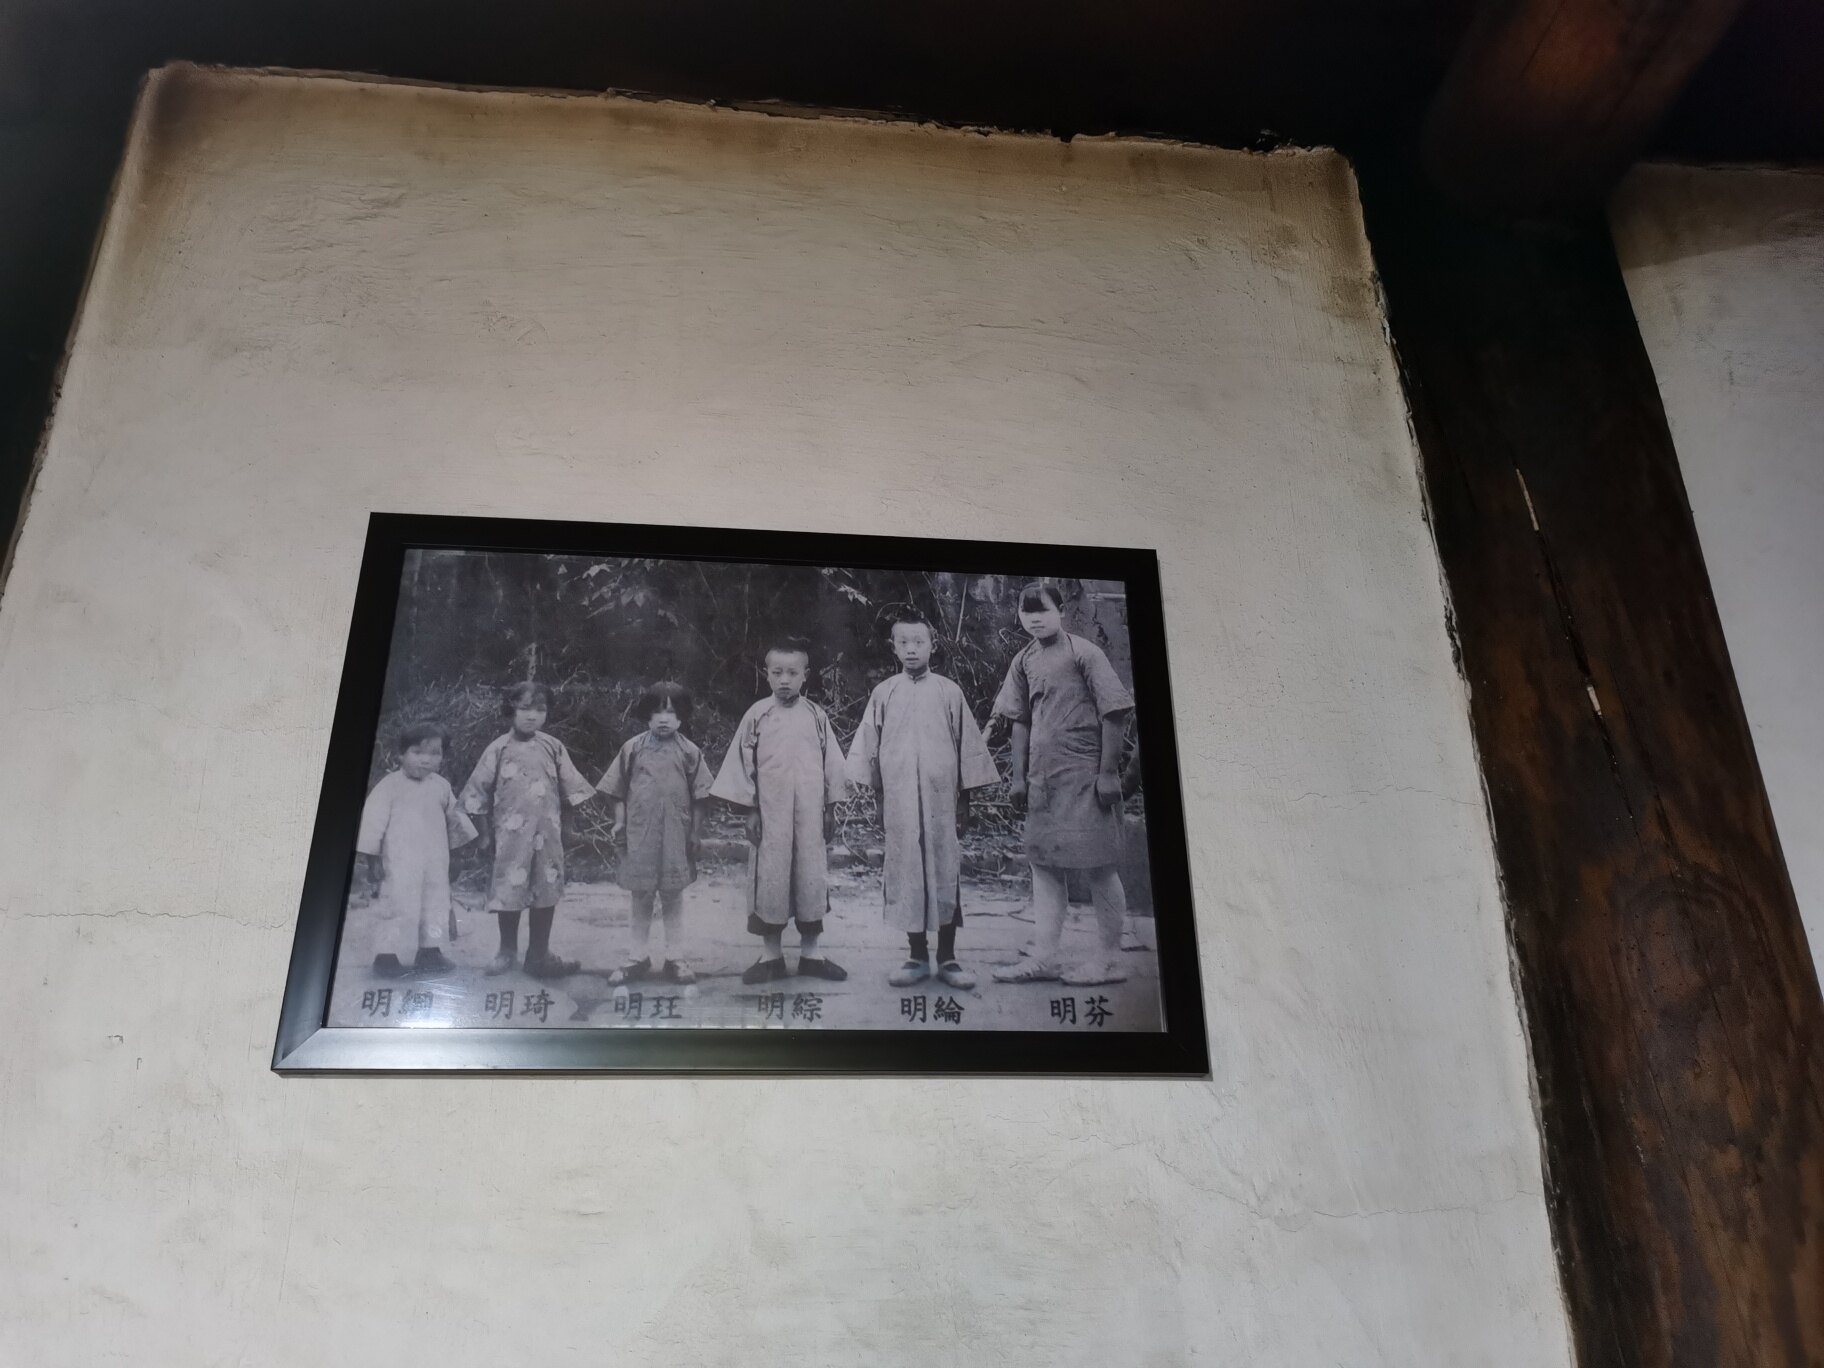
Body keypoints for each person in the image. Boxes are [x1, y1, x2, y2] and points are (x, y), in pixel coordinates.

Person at [990, 582, 1136, 986]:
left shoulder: (1085, 653)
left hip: (1085, 775)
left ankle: (1110, 959)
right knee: (1043, 865)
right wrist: (1018, 778)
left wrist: (1108, 773)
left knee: (1099, 866)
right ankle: (1045, 956)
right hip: (1043, 779)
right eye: (1027, 612)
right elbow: (1019, 720)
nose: (1035, 619)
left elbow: (1114, 712)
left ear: (1061, 611)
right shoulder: (1024, 660)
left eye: (1043, 610)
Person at [846, 612, 997, 988]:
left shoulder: (949, 692)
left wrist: (964, 801)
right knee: (906, 870)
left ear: (933, 645)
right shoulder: (884, 693)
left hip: (942, 801)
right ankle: (916, 955)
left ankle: (947, 957)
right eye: (903, 642)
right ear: (893, 648)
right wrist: (880, 800)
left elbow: (967, 749)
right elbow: (872, 752)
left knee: (945, 869)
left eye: (919, 642)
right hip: (899, 801)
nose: (911, 649)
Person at [710, 637, 850, 984]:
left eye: (792, 673)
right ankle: (771, 956)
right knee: (770, 879)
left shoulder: (816, 716)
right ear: (766, 674)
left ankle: (811, 954)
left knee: (810, 878)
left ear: (805, 675)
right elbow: (743, 766)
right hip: (770, 815)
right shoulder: (757, 715)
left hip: (810, 815)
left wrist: (830, 809)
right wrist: (751, 811)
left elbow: (832, 765)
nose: (784, 680)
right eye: (777, 673)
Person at [460, 682, 597, 979]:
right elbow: (476, 794)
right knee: (509, 889)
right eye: (524, 708)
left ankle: (539, 954)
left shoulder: (553, 746)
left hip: (548, 836)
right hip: (510, 838)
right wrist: (484, 836)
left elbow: (571, 792)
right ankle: (506, 951)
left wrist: (568, 830)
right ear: (511, 709)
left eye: (540, 709)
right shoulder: (498, 748)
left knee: (546, 890)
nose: (532, 716)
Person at [596, 681, 714, 985]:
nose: (664, 719)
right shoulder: (632, 748)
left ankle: (676, 957)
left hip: (677, 833)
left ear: (682, 717)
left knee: (673, 893)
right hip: (640, 833)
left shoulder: (690, 752)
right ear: (646, 715)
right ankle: (637, 956)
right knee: (641, 893)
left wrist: (696, 832)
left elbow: (701, 796)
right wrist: (619, 821)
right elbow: (616, 790)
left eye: (672, 713)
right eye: (658, 712)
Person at [355, 721, 477, 979]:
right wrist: (372, 859)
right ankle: (386, 955)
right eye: (418, 752)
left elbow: (455, 822)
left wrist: (457, 855)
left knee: (435, 904)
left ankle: (430, 951)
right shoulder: (389, 786)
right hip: (399, 861)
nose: (426, 759)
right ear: (401, 754)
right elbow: (373, 823)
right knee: (396, 905)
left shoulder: (441, 786)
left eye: (435, 753)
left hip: (435, 860)